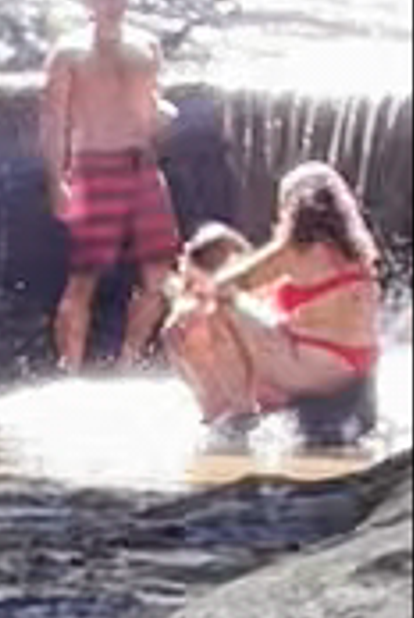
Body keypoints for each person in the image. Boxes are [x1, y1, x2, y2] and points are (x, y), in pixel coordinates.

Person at [167, 163, 392, 453]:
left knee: (214, 308)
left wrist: (186, 287)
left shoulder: (297, 248)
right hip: (356, 368)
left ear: (293, 207)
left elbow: (223, 286)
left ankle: (238, 416)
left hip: (314, 368)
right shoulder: (358, 252)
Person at [38, 0, 177, 366]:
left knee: (158, 275)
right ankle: (71, 370)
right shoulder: (68, 52)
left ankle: (129, 361)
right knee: (84, 276)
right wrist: (55, 182)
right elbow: (53, 122)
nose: (113, 0)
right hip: (93, 167)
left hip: (143, 168)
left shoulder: (147, 45)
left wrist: (160, 116)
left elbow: (153, 106)